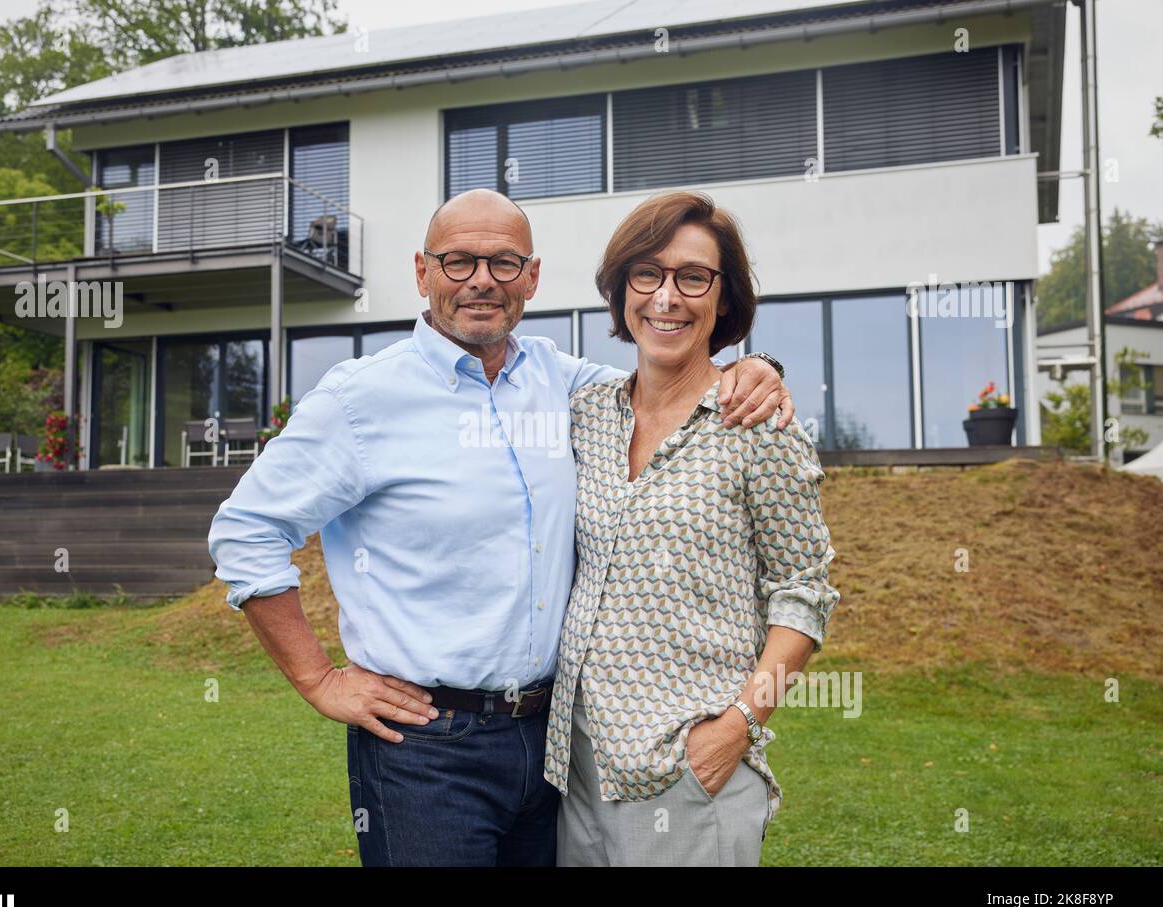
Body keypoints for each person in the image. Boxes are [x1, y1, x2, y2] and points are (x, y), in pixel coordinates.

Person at [207, 188, 793, 866]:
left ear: (532, 277)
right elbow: (246, 532)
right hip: (424, 750)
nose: (481, 279)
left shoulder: (564, 383)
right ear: (423, 273)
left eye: (504, 262)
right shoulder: (358, 400)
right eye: (458, 261)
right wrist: (319, 680)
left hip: (551, 745)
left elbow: (672, 383)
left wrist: (754, 371)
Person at [546, 191, 840, 867]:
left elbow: (804, 594)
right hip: (576, 770)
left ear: (723, 297)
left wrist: (739, 726)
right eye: (646, 274)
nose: (666, 297)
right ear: (622, 290)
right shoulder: (586, 413)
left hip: (690, 770)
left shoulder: (757, 426)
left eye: (692, 277)